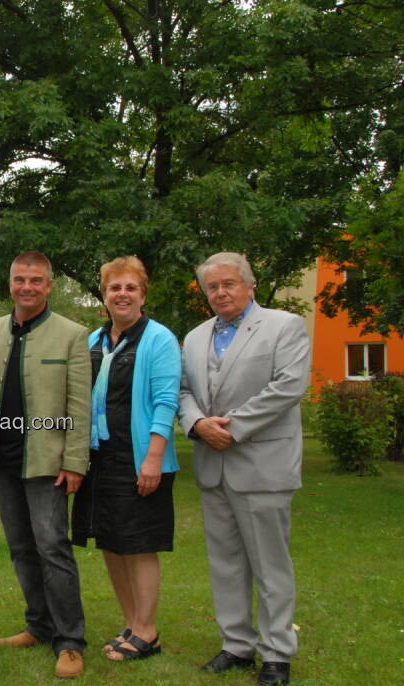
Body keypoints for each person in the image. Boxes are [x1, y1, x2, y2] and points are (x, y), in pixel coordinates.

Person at [178, 252, 310, 686]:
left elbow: (288, 386)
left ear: (250, 284)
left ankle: (276, 654)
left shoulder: (283, 326)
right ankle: (235, 644)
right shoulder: (195, 337)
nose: (220, 292)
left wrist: (233, 430)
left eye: (229, 284)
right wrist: (197, 424)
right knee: (226, 563)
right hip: (212, 466)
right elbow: (182, 391)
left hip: (262, 465)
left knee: (270, 565)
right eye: (212, 287)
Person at [0, 250, 92, 679]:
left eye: (36, 281)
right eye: (20, 279)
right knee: (21, 548)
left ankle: (70, 641)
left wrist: (76, 461)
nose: (27, 287)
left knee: (53, 549)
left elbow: (80, 406)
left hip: (48, 463)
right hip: (4, 462)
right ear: (10, 282)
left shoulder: (72, 335)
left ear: (49, 285)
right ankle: (37, 626)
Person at [71, 256, 181, 662]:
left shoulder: (159, 339)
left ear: (143, 293)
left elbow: (167, 402)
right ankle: (132, 624)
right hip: (100, 458)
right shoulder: (93, 342)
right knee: (111, 544)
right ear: (104, 295)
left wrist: (153, 458)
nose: (122, 294)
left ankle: (147, 631)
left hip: (139, 458)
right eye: (115, 287)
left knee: (138, 544)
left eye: (130, 287)